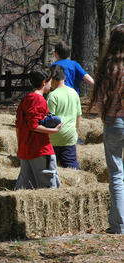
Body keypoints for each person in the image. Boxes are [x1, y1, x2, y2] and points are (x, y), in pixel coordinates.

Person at [89, 24, 124, 234]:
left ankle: (119, 225)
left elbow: (99, 99)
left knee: (116, 174)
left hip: (114, 123)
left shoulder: (108, 66)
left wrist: (104, 117)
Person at [15, 67, 63, 190]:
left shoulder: (26, 99)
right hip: (39, 149)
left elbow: (20, 125)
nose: (51, 84)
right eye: (50, 81)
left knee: (26, 187)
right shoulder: (38, 99)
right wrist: (54, 130)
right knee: (48, 189)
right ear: (43, 82)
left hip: (26, 149)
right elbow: (34, 125)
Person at [47, 64, 82, 170]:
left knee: (51, 167)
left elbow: (49, 119)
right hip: (70, 136)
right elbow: (78, 115)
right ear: (64, 77)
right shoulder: (74, 93)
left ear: (52, 79)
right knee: (71, 166)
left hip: (54, 137)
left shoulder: (53, 95)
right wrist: (76, 132)